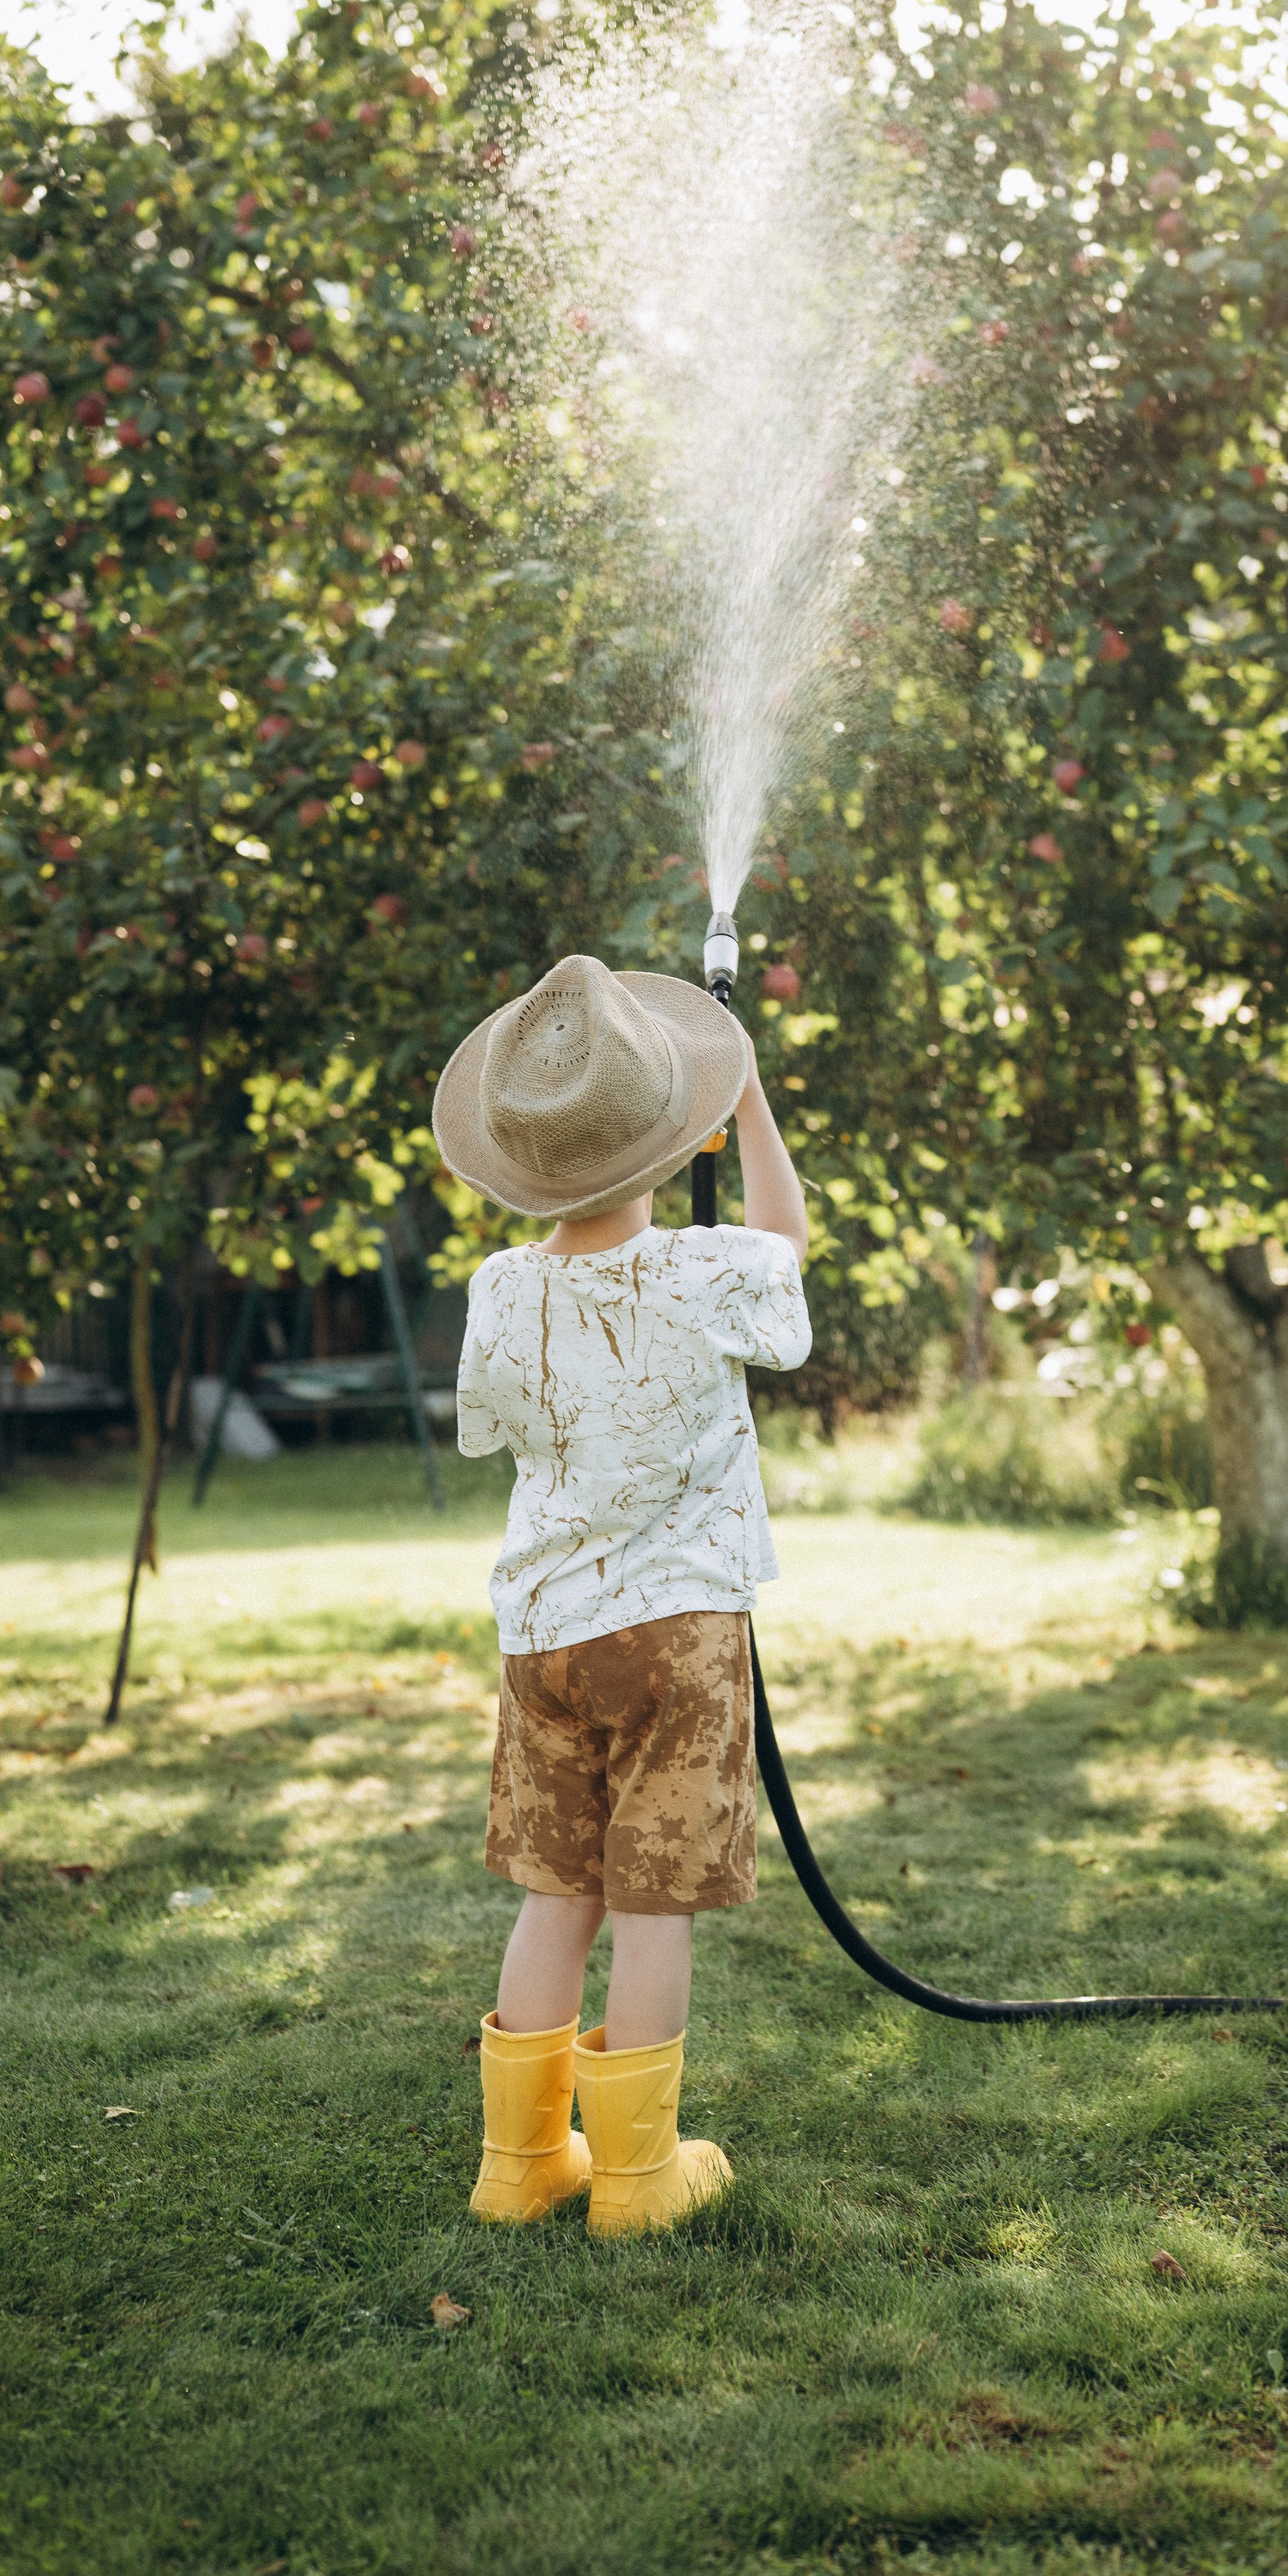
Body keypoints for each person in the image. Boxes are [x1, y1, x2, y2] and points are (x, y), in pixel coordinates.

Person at [432, 951, 810, 2236]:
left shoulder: (500, 1289)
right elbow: (786, 1250)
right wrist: (747, 1099)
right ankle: (641, 2183)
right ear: (670, 1137)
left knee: (560, 1888)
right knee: (651, 1900)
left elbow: (492, 1433)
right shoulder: (709, 1273)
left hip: (542, 1635)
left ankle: (518, 2165)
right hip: (677, 1633)